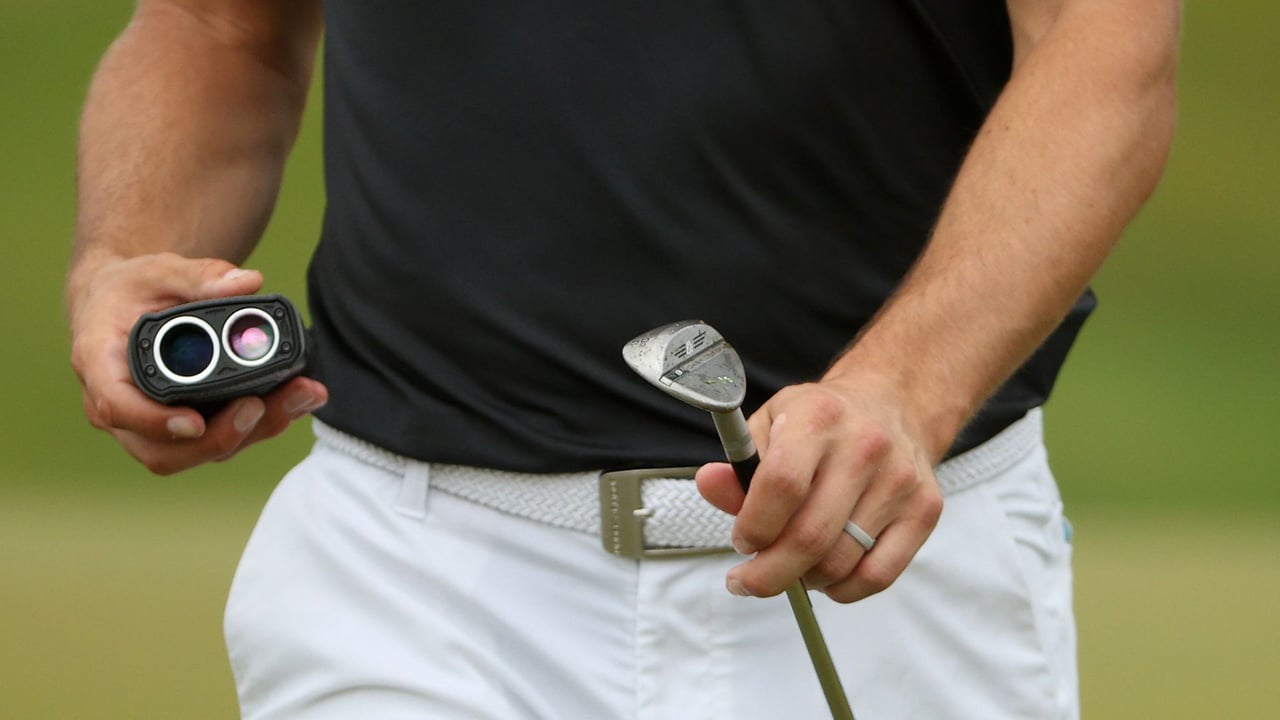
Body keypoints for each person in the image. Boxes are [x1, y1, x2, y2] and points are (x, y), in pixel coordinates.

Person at [66, 1, 1180, 718]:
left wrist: (905, 387)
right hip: (415, 571)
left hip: (875, 557)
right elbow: (215, 28)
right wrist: (131, 252)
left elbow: (1104, 49)